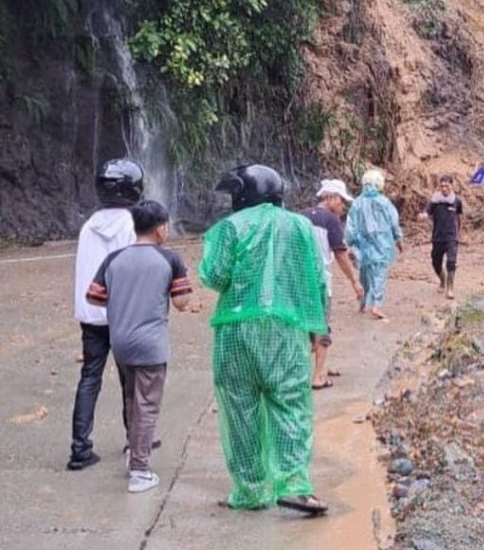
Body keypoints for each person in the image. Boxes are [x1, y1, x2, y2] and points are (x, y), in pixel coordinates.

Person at [199, 164, 329, 514]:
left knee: (240, 408)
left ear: (243, 193)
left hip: (235, 330)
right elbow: (317, 281)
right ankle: (295, 486)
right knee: (289, 403)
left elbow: (214, 276)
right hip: (286, 329)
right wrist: (319, 329)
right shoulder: (302, 226)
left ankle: (250, 490)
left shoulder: (230, 227)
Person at [85, 200, 191, 492]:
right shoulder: (170, 259)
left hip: (120, 341)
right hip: (150, 344)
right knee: (147, 405)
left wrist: (124, 298)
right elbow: (182, 302)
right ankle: (140, 471)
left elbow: (93, 297)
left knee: (132, 399)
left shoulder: (114, 259)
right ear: (160, 229)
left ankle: (134, 451)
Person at [68, 158, 144, 471]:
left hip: (90, 314)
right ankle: (134, 440)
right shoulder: (131, 225)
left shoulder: (90, 225)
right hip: (122, 314)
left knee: (90, 378)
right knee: (132, 380)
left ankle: (79, 448)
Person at [300, 179, 363, 390]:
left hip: (297, 282)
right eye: (342, 202)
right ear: (330, 198)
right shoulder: (331, 221)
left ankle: (302, 372)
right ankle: (318, 376)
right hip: (320, 282)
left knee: (301, 327)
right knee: (321, 327)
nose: (343, 207)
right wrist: (354, 281)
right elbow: (340, 255)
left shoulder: (299, 217)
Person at [345, 169, 403, 320]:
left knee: (364, 273)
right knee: (380, 275)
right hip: (383, 244)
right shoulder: (384, 202)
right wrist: (398, 239)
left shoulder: (357, 203)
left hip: (363, 245)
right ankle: (376, 305)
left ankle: (363, 303)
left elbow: (350, 226)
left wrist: (349, 244)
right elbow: (394, 221)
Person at [419, 174, 463, 299]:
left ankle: (450, 289)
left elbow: (459, 217)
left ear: (452, 186)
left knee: (451, 261)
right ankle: (442, 280)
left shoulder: (457, 201)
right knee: (435, 262)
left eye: (446, 186)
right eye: (442, 186)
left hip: (451, 237)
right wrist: (423, 216)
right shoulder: (434, 201)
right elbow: (427, 212)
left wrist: (459, 232)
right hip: (438, 237)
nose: (444, 188)